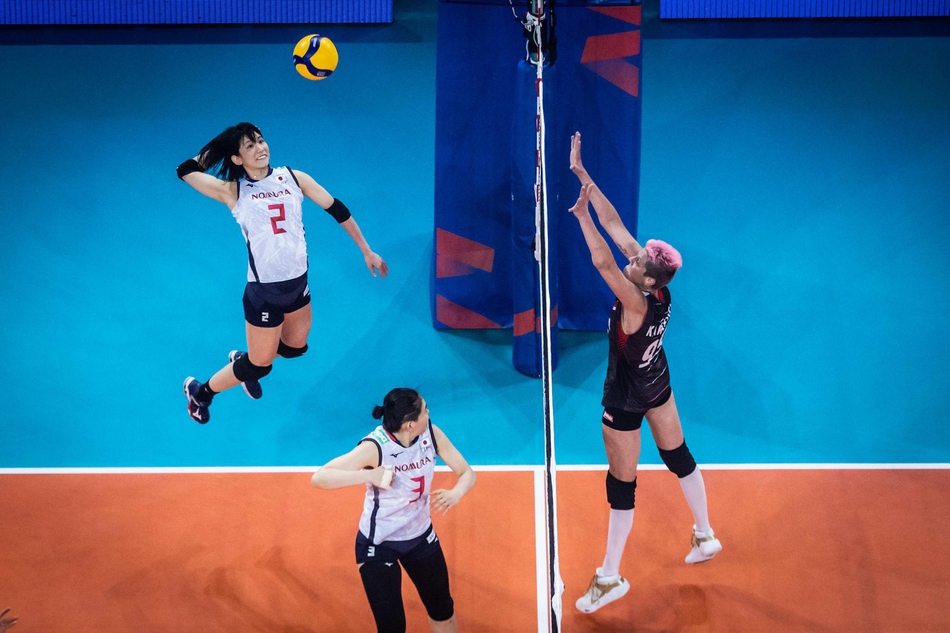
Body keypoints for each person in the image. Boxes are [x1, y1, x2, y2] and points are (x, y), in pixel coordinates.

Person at [567, 132, 722, 614]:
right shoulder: (657, 288)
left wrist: (578, 219)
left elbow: (600, 258)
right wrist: (583, 177)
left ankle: (610, 578)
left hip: (627, 398)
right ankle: (705, 534)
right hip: (659, 382)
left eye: (638, 260)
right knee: (679, 456)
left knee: (622, 486)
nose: (632, 256)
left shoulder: (634, 298)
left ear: (647, 279)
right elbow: (614, 225)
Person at [176, 122, 388, 423]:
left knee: (294, 348)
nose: (260, 148)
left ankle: (244, 363)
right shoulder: (232, 191)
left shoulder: (293, 177)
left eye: (260, 141)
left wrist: (366, 249)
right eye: (249, 146)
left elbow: (336, 208)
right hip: (264, 295)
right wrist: (223, 146)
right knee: (261, 366)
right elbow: (184, 171)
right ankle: (201, 393)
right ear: (237, 159)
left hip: (298, 287)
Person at [311, 388, 476, 633]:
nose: (429, 413)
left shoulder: (432, 434)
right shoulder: (376, 447)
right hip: (379, 545)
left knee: (443, 611)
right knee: (392, 627)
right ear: (410, 424)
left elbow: (466, 473)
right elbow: (320, 478)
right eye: (424, 411)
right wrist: (369, 474)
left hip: (421, 538)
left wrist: (456, 493)